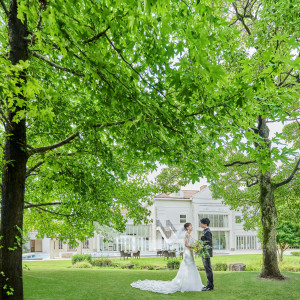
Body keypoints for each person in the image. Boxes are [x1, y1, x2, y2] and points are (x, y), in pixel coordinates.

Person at [130, 223, 203, 294]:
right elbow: (186, 244)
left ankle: (191, 284)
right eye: (191, 226)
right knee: (188, 267)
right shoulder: (186, 234)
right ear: (187, 228)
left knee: (191, 267)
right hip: (187, 253)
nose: (192, 227)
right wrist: (194, 247)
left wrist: (195, 247)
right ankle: (186, 285)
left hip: (189, 253)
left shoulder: (189, 234)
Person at [200, 218, 214, 291]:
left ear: (205, 224)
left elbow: (209, 242)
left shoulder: (207, 232)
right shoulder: (205, 231)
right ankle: (208, 285)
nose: (200, 224)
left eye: (201, 223)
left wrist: (202, 240)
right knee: (207, 268)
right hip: (204, 252)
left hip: (206, 252)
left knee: (208, 269)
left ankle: (210, 286)